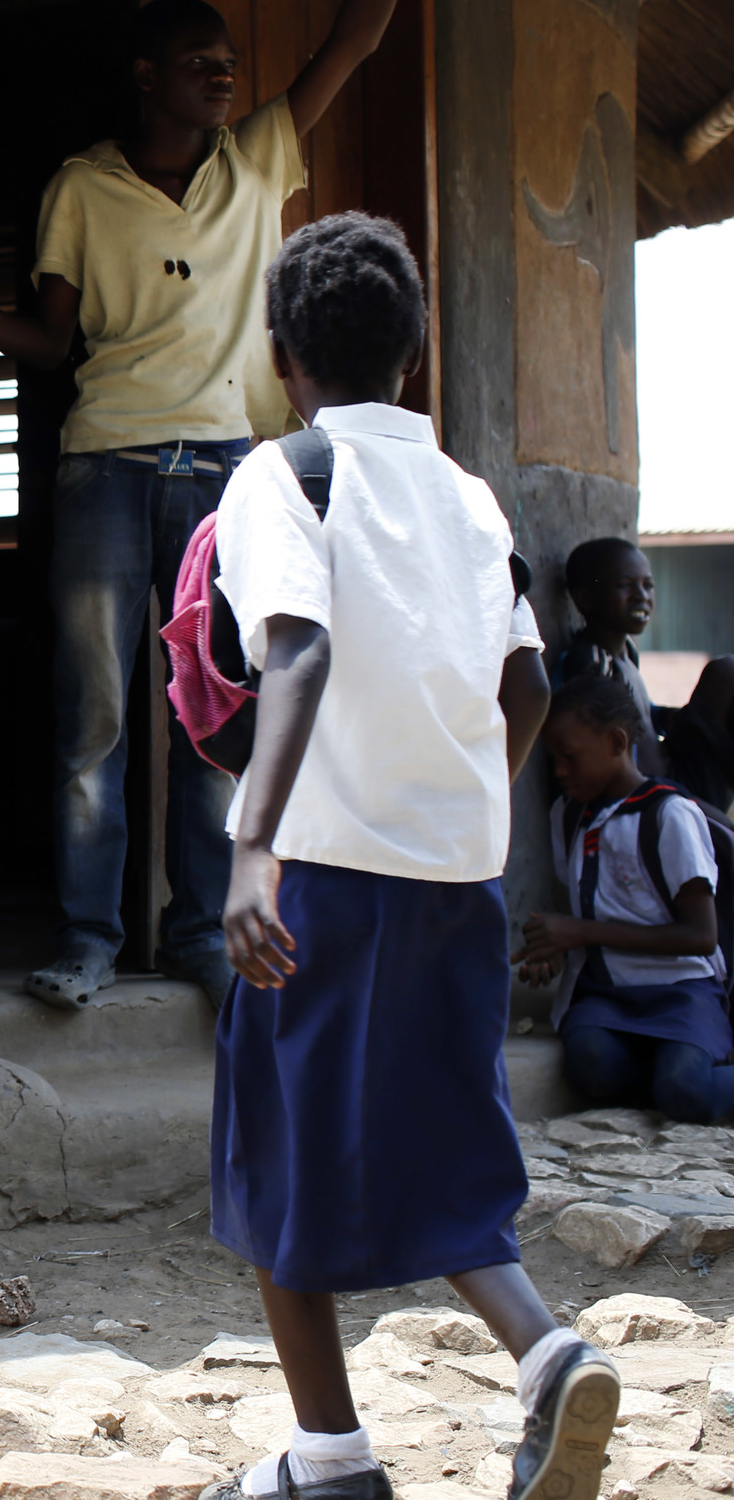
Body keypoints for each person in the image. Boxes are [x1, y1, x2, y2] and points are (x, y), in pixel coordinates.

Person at [0, 0, 423, 1012]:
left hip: (224, 470)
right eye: (200, 62)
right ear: (146, 74)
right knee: (95, 714)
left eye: (230, 64)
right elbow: (52, 346)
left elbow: (349, 41)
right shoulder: (80, 187)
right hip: (103, 463)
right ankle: (88, 937)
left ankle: (202, 932)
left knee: (216, 707)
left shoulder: (256, 164)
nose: (222, 76)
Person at [208, 213, 615, 1500]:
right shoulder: (467, 494)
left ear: (281, 355)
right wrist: (461, 803)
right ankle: (547, 1351)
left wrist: (250, 845)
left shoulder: (281, 475)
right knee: (442, 1137)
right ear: (415, 351)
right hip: (456, 879)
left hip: (320, 875)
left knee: (280, 1145)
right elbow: (531, 680)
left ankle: (328, 1456)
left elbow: (297, 647)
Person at [518, 672, 726, 1122]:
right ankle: (668, 1071)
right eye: (553, 758)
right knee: (593, 1070)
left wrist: (579, 932)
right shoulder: (567, 816)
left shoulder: (669, 815)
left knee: (688, 1092)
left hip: (679, 992)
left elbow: (701, 936)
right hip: (606, 995)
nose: (560, 771)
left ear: (615, 742)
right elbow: (589, 910)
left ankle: (682, 1073)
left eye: (569, 757)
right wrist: (554, 948)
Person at [552, 538, 666, 772]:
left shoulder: (627, 653)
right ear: (585, 599)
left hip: (668, 774)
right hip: (644, 793)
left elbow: (643, 714)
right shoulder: (592, 663)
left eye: (648, 585)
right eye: (626, 585)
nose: (641, 595)